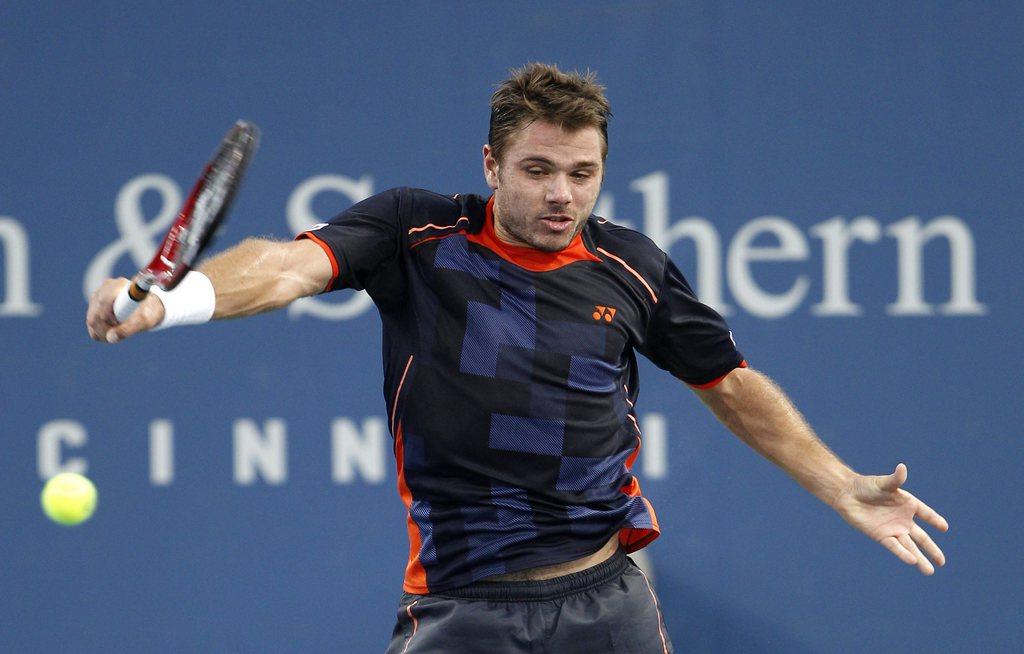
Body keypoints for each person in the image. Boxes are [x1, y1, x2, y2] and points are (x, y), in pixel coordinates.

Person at [86, 63, 949, 653]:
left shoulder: (632, 265)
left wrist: (842, 486)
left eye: (582, 173)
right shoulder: (413, 232)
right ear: (491, 164)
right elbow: (282, 269)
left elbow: (729, 383)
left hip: (607, 601)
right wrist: (173, 300)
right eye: (538, 169)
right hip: (461, 611)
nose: (560, 194)